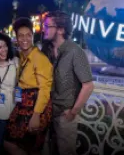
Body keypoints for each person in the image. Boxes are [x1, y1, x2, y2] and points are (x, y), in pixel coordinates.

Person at [43, 10, 94, 155]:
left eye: (48, 26)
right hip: (47, 112)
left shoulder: (75, 52)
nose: (44, 29)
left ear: (61, 29)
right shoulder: (46, 50)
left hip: (64, 115)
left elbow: (88, 85)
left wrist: (73, 112)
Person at [4, 17, 53, 155]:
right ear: (16, 37)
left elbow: (45, 89)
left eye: (28, 35)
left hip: (36, 108)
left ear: (32, 36)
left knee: (24, 146)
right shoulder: (21, 56)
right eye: (21, 35)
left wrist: (36, 115)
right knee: (14, 143)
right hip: (22, 106)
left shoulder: (40, 58)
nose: (24, 39)